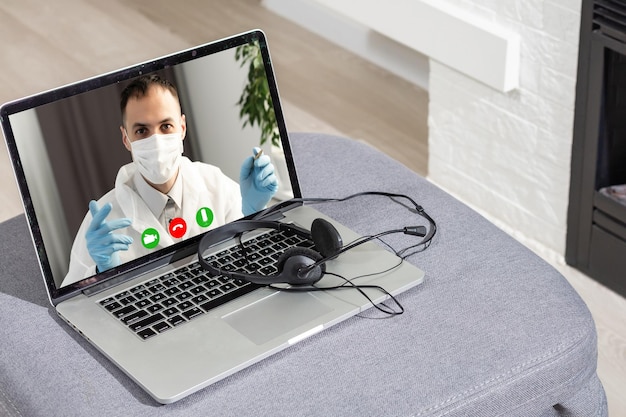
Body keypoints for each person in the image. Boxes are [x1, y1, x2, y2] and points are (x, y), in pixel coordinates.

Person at [62, 75, 277, 286]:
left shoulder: (215, 184)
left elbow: (261, 263)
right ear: (126, 138)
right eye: (141, 131)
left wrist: (254, 213)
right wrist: (103, 273)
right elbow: (73, 303)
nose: (155, 141)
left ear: (182, 127)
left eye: (165, 126)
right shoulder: (101, 221)